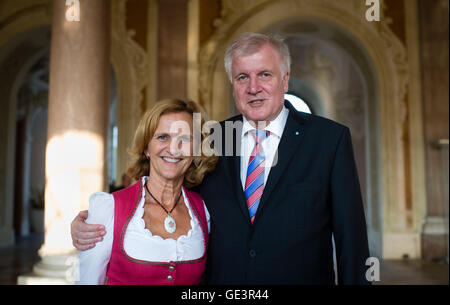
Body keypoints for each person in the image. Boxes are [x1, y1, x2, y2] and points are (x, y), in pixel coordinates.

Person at [72, 33, 370, 284]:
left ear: (285, 79)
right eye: (243, 77)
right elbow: (167, 191)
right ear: (233, 83)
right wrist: (94, 222)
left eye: (265, 74)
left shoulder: (328, 140)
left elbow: (352, 241)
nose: (253, 87)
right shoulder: (212, 139)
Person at [75, 99, 217, 284]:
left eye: (184, 139)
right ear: (146, 147)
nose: (174, 148)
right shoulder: (110, 209)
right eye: (163, 137)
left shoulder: (203, 210)